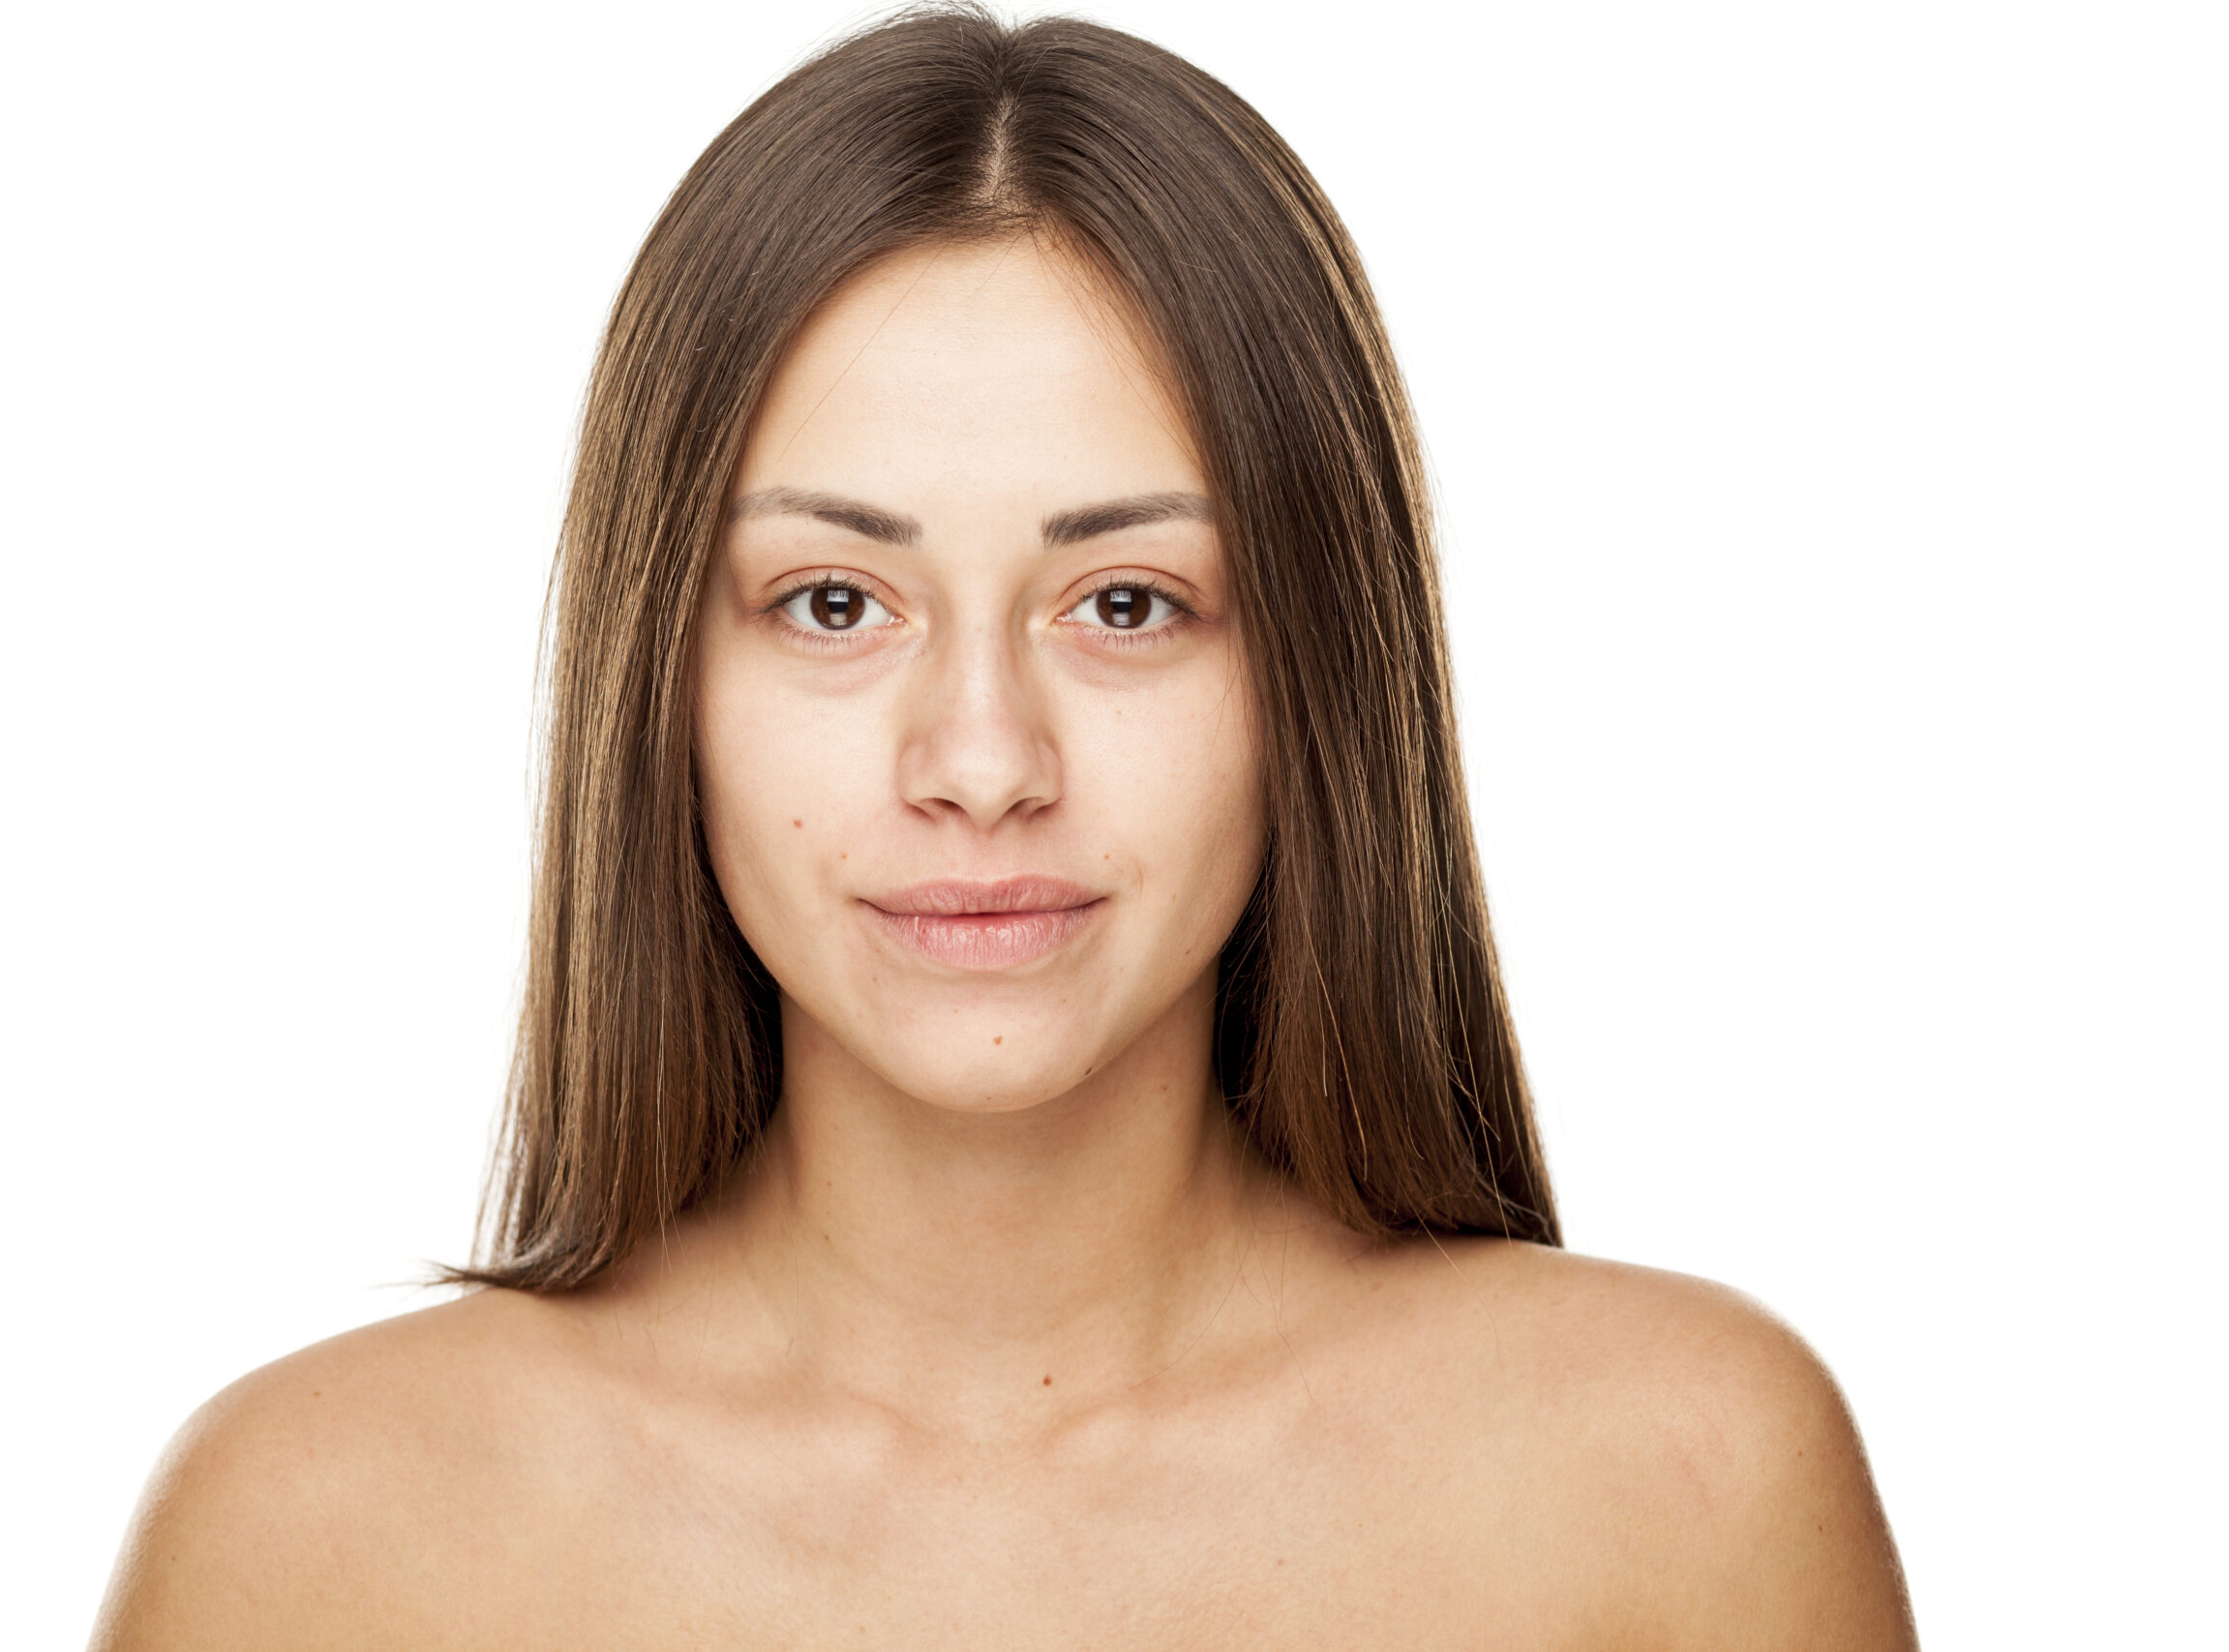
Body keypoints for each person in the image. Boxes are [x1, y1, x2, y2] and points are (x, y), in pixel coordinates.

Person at [92, 9, 1916, 1646]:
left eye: (1126, 605)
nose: (980, 760)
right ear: (661, 685)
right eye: (831, 604)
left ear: (1317, 678)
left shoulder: (1686, 1492)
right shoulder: (314, 1541)